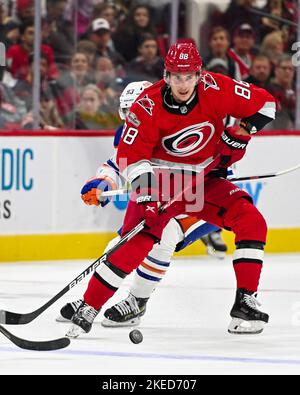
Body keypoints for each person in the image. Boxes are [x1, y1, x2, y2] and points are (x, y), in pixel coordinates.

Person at [66, 41, 276, 338]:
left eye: (188, 75)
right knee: (136, 241)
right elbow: (129, 159)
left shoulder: (218, 88)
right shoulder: (146, 106)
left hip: (203, 182)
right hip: (161, 183)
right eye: (176, 76)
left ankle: (245, 301)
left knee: (251, 221)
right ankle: (89, 306)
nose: (182, 83)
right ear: (166, 75)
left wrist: (242, 133)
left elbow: (266, 104)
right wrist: (147, 194)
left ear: (199, 74)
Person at [58, 80, 229, 326]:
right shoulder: (132, 135)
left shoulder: (185, 126)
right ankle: (92, 301)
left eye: (135, 112)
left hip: (199, 203)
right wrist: (102, 183)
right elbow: (116, 166)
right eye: (127, 113)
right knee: (120, 243)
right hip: (160, 202)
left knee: (164, 235)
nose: (131, 120)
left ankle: (137, 303)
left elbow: (220, 165)